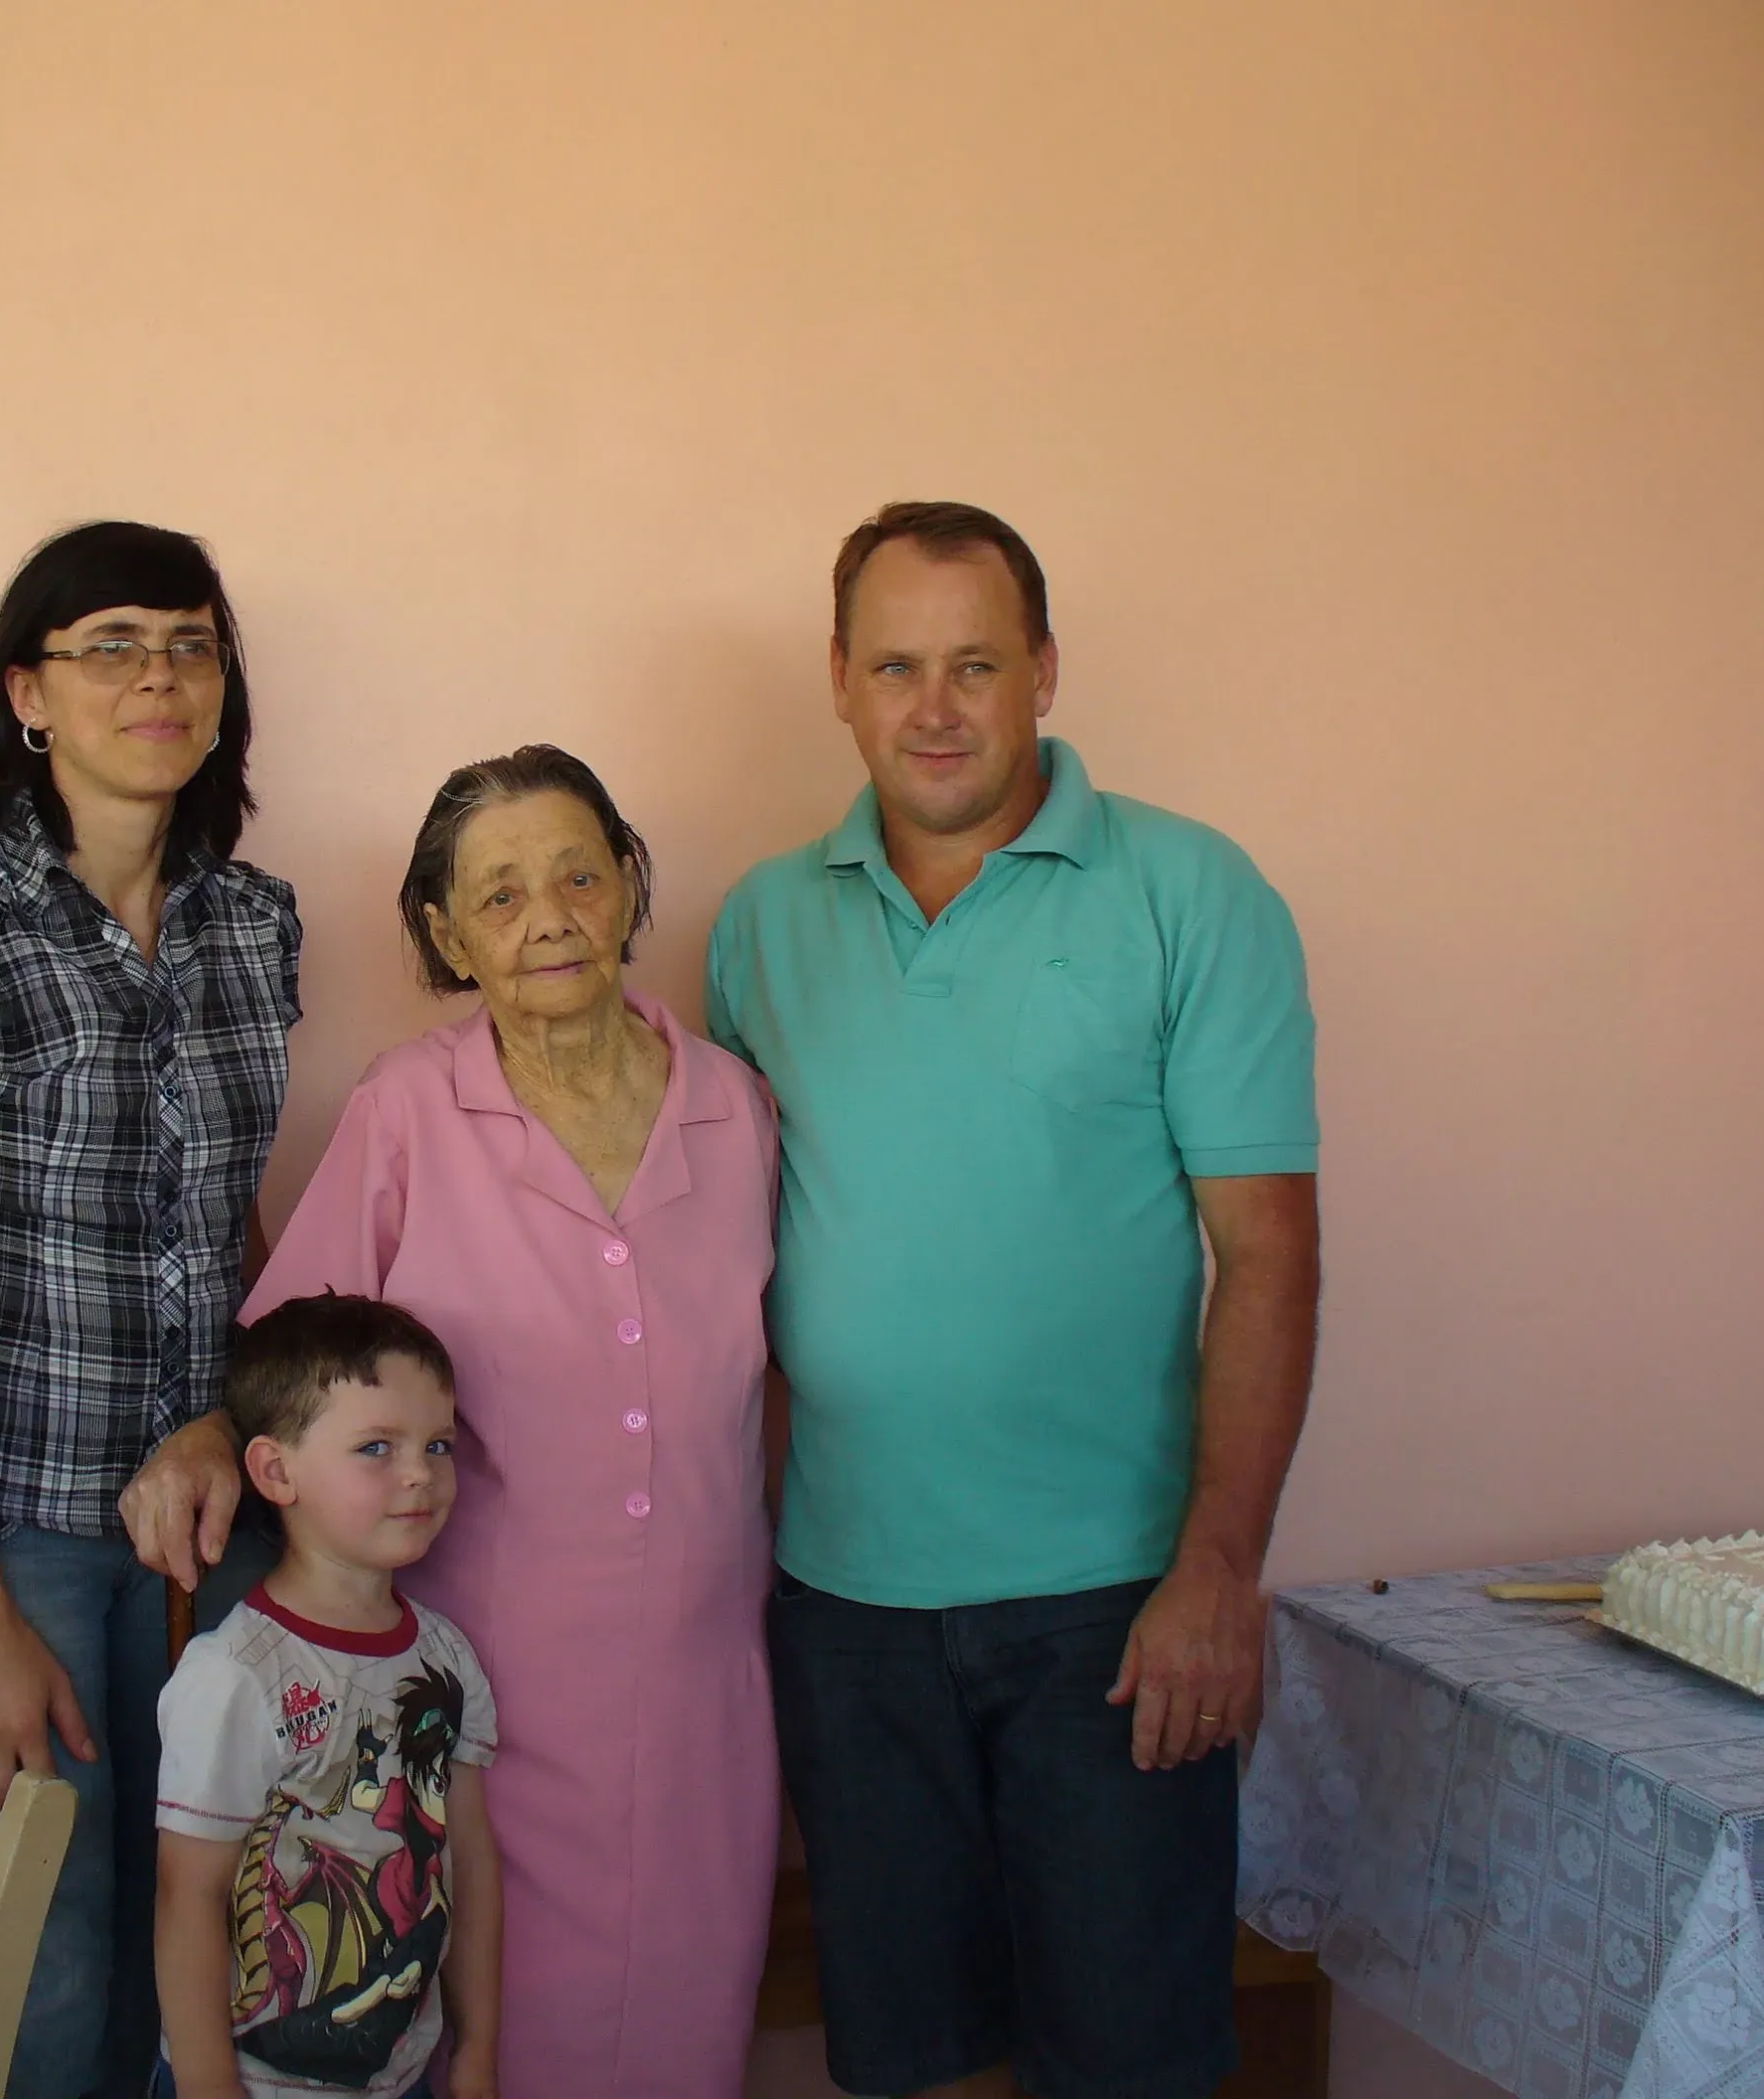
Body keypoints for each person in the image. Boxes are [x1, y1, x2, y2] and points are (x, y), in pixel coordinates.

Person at [706, 500, 1322, 2099]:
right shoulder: (763, 924)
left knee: (1133, 2067)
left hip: (1114, 1614)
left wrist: (1219, 1573)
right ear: (837, 679)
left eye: (974, 664)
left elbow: (1266, 1253)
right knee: (913, 2067)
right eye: (896, 665)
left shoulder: (1192, 892)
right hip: (845, 1615)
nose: (934, 707)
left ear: (1044, 671)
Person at [246, 746, 781, 2099]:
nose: (547, 917)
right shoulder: (408, 1110)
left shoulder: (737, 1108)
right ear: (445, 936)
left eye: (577, 876)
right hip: (470, 1703)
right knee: (489, 2043)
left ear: (628, 888)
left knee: (687, 2030)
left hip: (706, 1690)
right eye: (498, 897)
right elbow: (291, 1371)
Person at [0, 520, 300, 2098]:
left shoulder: (255, 925)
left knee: (220, 1971)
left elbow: (232, 1230)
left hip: (215, 1522)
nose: (159, 676)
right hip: (13, 1530)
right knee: (52, 1990)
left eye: (190, 643)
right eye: (113, 644)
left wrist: (233, 1425)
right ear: (28, 694)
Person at [153, 1293, 500, 2099]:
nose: (421, 1473)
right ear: (276, 1471)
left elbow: (471, 1862)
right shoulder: (235, 1676)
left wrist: (477, 2051)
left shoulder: (447, 1659)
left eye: (438, 1443)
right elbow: (189, 1896)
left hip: (402, 2073)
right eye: (376, 1447)